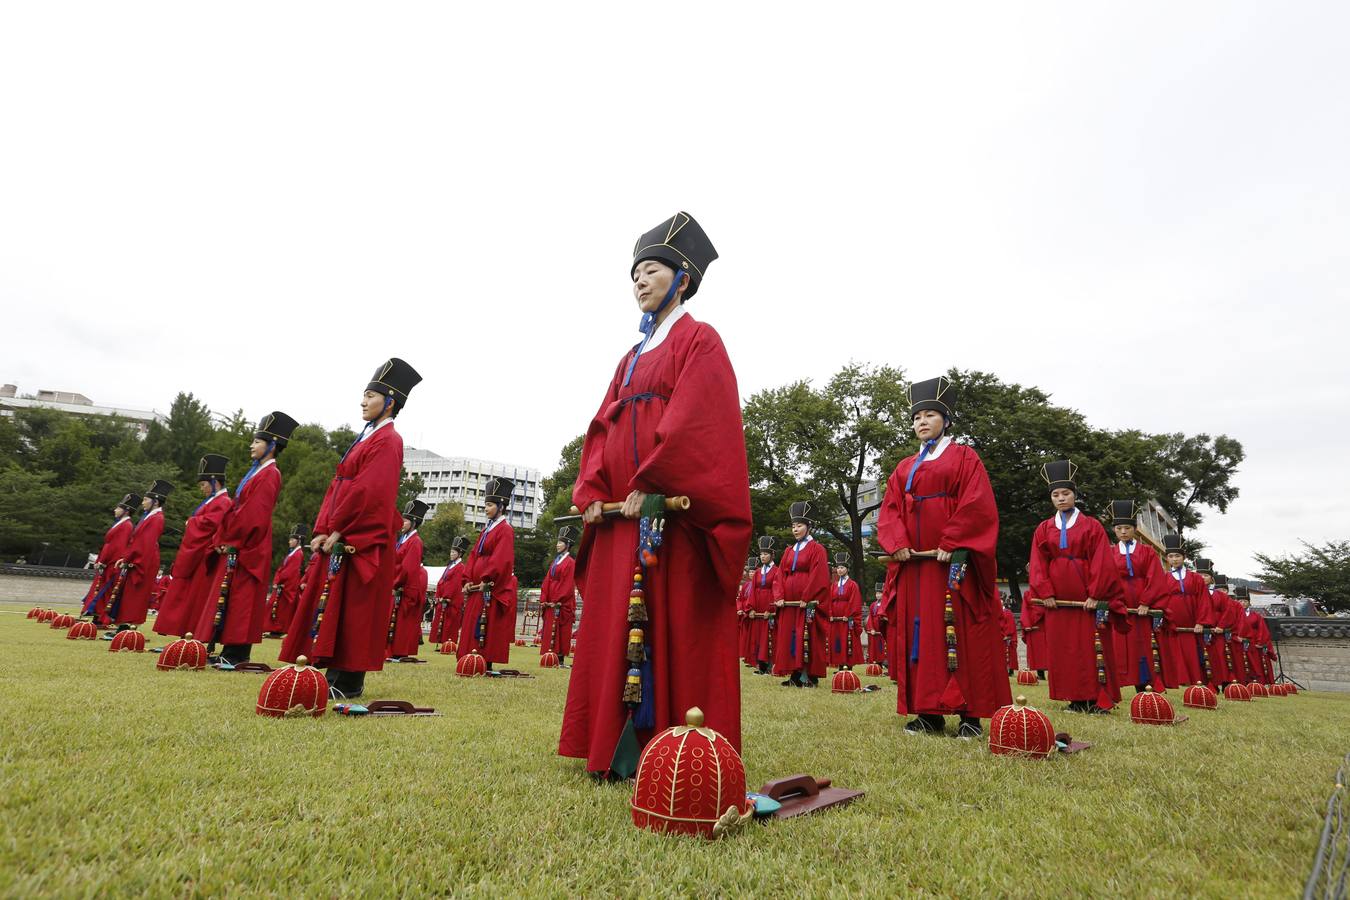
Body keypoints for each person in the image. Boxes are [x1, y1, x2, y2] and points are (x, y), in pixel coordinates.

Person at [558, 212, 752, 779]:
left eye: (651, 271)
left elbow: (700, 422)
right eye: (635, 274)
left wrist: (653, 480)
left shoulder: (700, 339)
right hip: (622, 517)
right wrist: (594, 487)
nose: (639, 282)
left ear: (682, 277)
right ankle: (613, 748)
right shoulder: (631, 356)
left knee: (672, 626)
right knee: (616, 624)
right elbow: (602, 425)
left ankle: (667, 747)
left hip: (671, 518)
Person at [281, 358, 422, 700]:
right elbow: (340, 484)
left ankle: (347, 679)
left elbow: (370, 490)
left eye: (370, 395)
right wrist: (323, 526)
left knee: (355, 612)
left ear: (389, 402)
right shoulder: (366, 437)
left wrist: (340, 529)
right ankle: (331, 670)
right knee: (335, 606)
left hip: (361, 535)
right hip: (342, 529)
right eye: (363, 395)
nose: (363, 401)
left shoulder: (389, 440)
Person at [877, 376, 1010, 736]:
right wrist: (897, 542)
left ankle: (970, 715)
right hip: (916, 567)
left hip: (953, 564)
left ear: (946, 420)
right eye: (916, 416)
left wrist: (952, 540)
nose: (922, 421)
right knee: (919, 635)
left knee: (960, 632)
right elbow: (889, 511)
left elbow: (978, 505)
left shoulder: (965, 458)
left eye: (930, 415)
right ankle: (927, 712)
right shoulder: (904, 467)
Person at [1027, 460, 1128, 713]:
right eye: (1056, 495)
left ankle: (1098, 698)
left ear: (1075, 495)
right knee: (1065, 650)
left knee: (1091, 647)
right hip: (1058, 603)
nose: (1061, 498)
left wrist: (1096, 594)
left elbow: (1102, 562)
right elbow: (1038, 563)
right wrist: (1046, 593)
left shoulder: (1092, 526)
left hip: (1086, 599)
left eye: (1066, 493)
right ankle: (1074, 698)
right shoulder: (1043, 528)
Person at [197, 412, 297, 664]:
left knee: (243, 599)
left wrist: (233, 540)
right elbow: (236, 510)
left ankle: (236, 653)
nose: (251, 446)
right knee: (231, 596)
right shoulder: (256, 472)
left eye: (257, 441)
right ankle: (227, 650)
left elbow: (254, 514)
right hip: (239, 542)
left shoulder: (270, 473)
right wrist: (222, 536)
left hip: (250, 544)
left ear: (272, 445)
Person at [154, 455, 232, 640]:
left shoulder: (224, 501)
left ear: (214, 482)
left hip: (204, 557)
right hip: (198, 554)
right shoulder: (214, 501)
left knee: (196, 598)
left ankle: (190, 636)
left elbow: (211, 524)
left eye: (203, 485)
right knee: (188, 597)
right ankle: (184, 634)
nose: (202, 489)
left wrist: (192, 522)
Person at [1107, 500, 1169, 692]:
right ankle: (1123, 680)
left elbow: (1156, 578)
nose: (1123, 531)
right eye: (1119, 528)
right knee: (1122, 645)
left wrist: (1145, 602)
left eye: (1127, 527)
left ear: (1134, 529)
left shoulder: (1147, 552)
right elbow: (1107, 578)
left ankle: (1145, 684)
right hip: (1121, 606)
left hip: (1142, 607)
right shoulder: (1110, 552)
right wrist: (1116, 602)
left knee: (1143, 645)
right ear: (1115, 530)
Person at [457, 477, 518, 669]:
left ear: (501, 506)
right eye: (485, 505)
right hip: (476, 587)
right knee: (471, 622)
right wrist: (467, 579)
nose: (486, 508)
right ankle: (469, 658)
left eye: (490, 505)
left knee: (486, 625)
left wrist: (488, 578)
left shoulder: (505, 530)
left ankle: (485, 661)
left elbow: (502, 558)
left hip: (490, 587)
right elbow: (474, 555)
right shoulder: (486, 530)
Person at [773, 502, 830, 688]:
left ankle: (808, 676)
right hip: (789, 603)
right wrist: (779, 595)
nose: (795, 529)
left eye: (799, 526)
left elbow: (818, 575)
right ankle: (795, 674)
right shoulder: (789, 551)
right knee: (789, 636)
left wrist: (807, 598)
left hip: (806, 603)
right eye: (793, 526)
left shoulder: (817, 549)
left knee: (806, 636)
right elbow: (780, 574)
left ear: (808, 526)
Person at [109, 480, 172, 629]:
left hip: (144, 559)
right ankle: (124, 624)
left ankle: (129, 626)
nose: (142, 503)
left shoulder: (157, 518)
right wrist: (126, 557)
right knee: (130, 593)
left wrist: (132, 560)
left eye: (145, 500)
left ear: (155, 502)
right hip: (139, 556)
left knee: (136, 594)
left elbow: (146, 543)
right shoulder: (150, 516)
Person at [1156, 534, 1206, 688]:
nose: (1174, 559)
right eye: (1170, 556)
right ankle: (1178, 679)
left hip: (1192, 623)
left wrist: (1201, 621)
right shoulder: (1163, 578)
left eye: (1177, 556)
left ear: (1184, 557)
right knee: (1174, 652)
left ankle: (1196, 680)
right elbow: (1160, 600)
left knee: (1193, 652)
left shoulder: (1195, 578)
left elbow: (1204, 600)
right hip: (1173, 623)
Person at [81, 493, 138, 624]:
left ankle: (101, 618)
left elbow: (118, 547)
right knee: (100, 589)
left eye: (118, 508)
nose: (115, 510)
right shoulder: (121, 524)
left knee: (106, 591)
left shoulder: (126, 525)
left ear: (126, 511)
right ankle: (96, 615)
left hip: (112, 563)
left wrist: (104, 561)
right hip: (107, 561)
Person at [388, 500, 429, 660]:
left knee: (401, 623)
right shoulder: (403, 540)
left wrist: (395, 582)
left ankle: (398, 652)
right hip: (396, 584)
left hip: (404, 588)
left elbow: (408, 568)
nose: (402, 524)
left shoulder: (415, 541)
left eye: (405, 521)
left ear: (413, 523)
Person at [539, 527, 578, 664]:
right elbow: (547, 580)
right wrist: (544, 598)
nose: (557, 545)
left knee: (561, 629)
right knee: (550, 628)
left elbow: (568, 583)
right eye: (557, 542)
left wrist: (557, 599)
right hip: (551, 599)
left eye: (560, 542)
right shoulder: (555, 562)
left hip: (561, 601)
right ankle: (549, 654)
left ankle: (559, 657)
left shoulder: (570, 563)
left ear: (567, 545)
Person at [264, 525, 308, 637]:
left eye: (292, 539)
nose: (289, 542)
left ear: (298, 541)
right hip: (283, 583)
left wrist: (279, 581)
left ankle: (278, 629)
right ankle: (274, 629)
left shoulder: (298, 554)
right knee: (275, 606)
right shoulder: (294, 553)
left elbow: (290, 571)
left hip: (287, 585)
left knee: (280, 608)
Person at [747, 537, 781, 674]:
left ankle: (769, 665)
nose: (763, 556)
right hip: (758, 605)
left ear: (772, 555)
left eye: (766, 554)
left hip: (768, 604)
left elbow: (777, 589)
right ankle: (760, 665)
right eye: (761, 554)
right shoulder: (757, 573)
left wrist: (771, 608)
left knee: (769, 635)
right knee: (758, 636)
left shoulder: (777, 571)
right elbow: (752, 590)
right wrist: (751, 608)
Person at [826, 552, 864, 670]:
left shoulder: (853, 585)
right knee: (837, 642)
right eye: (838, 568)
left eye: (842, 567)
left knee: (847, 641)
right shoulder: (834, 585)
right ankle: (840, 665)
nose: (840, 570)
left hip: (846, 619)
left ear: (847, 569)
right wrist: (830, 614)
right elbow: (829, 601)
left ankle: (848, 666)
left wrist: (848, 615)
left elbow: (854, 601)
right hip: (836, 620)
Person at [429, 536, 468, 649]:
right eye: (451, 552)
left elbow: (455, 584)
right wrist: (438, 595)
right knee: (441, 621)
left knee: (450, 622)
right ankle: (440, 640)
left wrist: (447, 596)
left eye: (453, 552)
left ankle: (448, 643)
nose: (451, 554)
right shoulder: (450, 566)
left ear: (459, 554)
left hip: (452, 600)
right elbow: (441, 581)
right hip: (443, 598)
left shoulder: (460, 567)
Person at [1237, 587, 1277, 684]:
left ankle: (1257, 682)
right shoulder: (1233, 614)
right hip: (1238, 642)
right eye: (1240, 601)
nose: (1242, 603)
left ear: (1249, 603)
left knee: (1255, 663)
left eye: (1245, 601)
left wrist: (1260, 642)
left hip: (1253, 643)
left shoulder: (1256, 616)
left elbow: (1262, 630)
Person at [865, 590, 887, 670]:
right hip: (874, 629)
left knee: (881, 647)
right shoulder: (872, 605)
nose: (878, 595)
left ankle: (883, 663)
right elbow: (870, 617)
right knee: (874, 647)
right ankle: (875, 663)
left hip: (881, 628)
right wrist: (871, 628)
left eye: (879, 593)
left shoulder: (885, 604)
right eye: (877, 593)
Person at [1000, 602, 1017, 676]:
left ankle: (1010, 671)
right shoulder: (995, 613)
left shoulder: (1008, 613)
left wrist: (1006, 634)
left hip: (1007, 637)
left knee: (1009, 654)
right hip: (999, 636)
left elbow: (1010, 625)